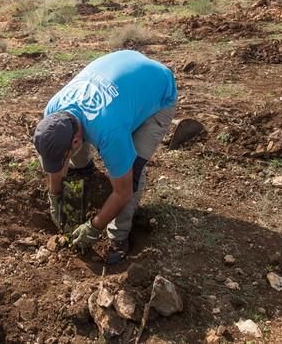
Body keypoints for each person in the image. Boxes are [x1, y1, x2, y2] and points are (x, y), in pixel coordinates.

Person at [33, 50, 178, 265]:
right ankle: (85, 170)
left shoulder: (109, 132)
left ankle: (118, 237)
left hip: (158, 90)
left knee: (133, 174)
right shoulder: (53, 110)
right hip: (125, 69)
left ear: (75, 141)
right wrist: (55, 197)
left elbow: (124, 191)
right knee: (76, 154)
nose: (57, 167)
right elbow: (56, 161)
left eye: (60, 160)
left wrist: (95, 226)